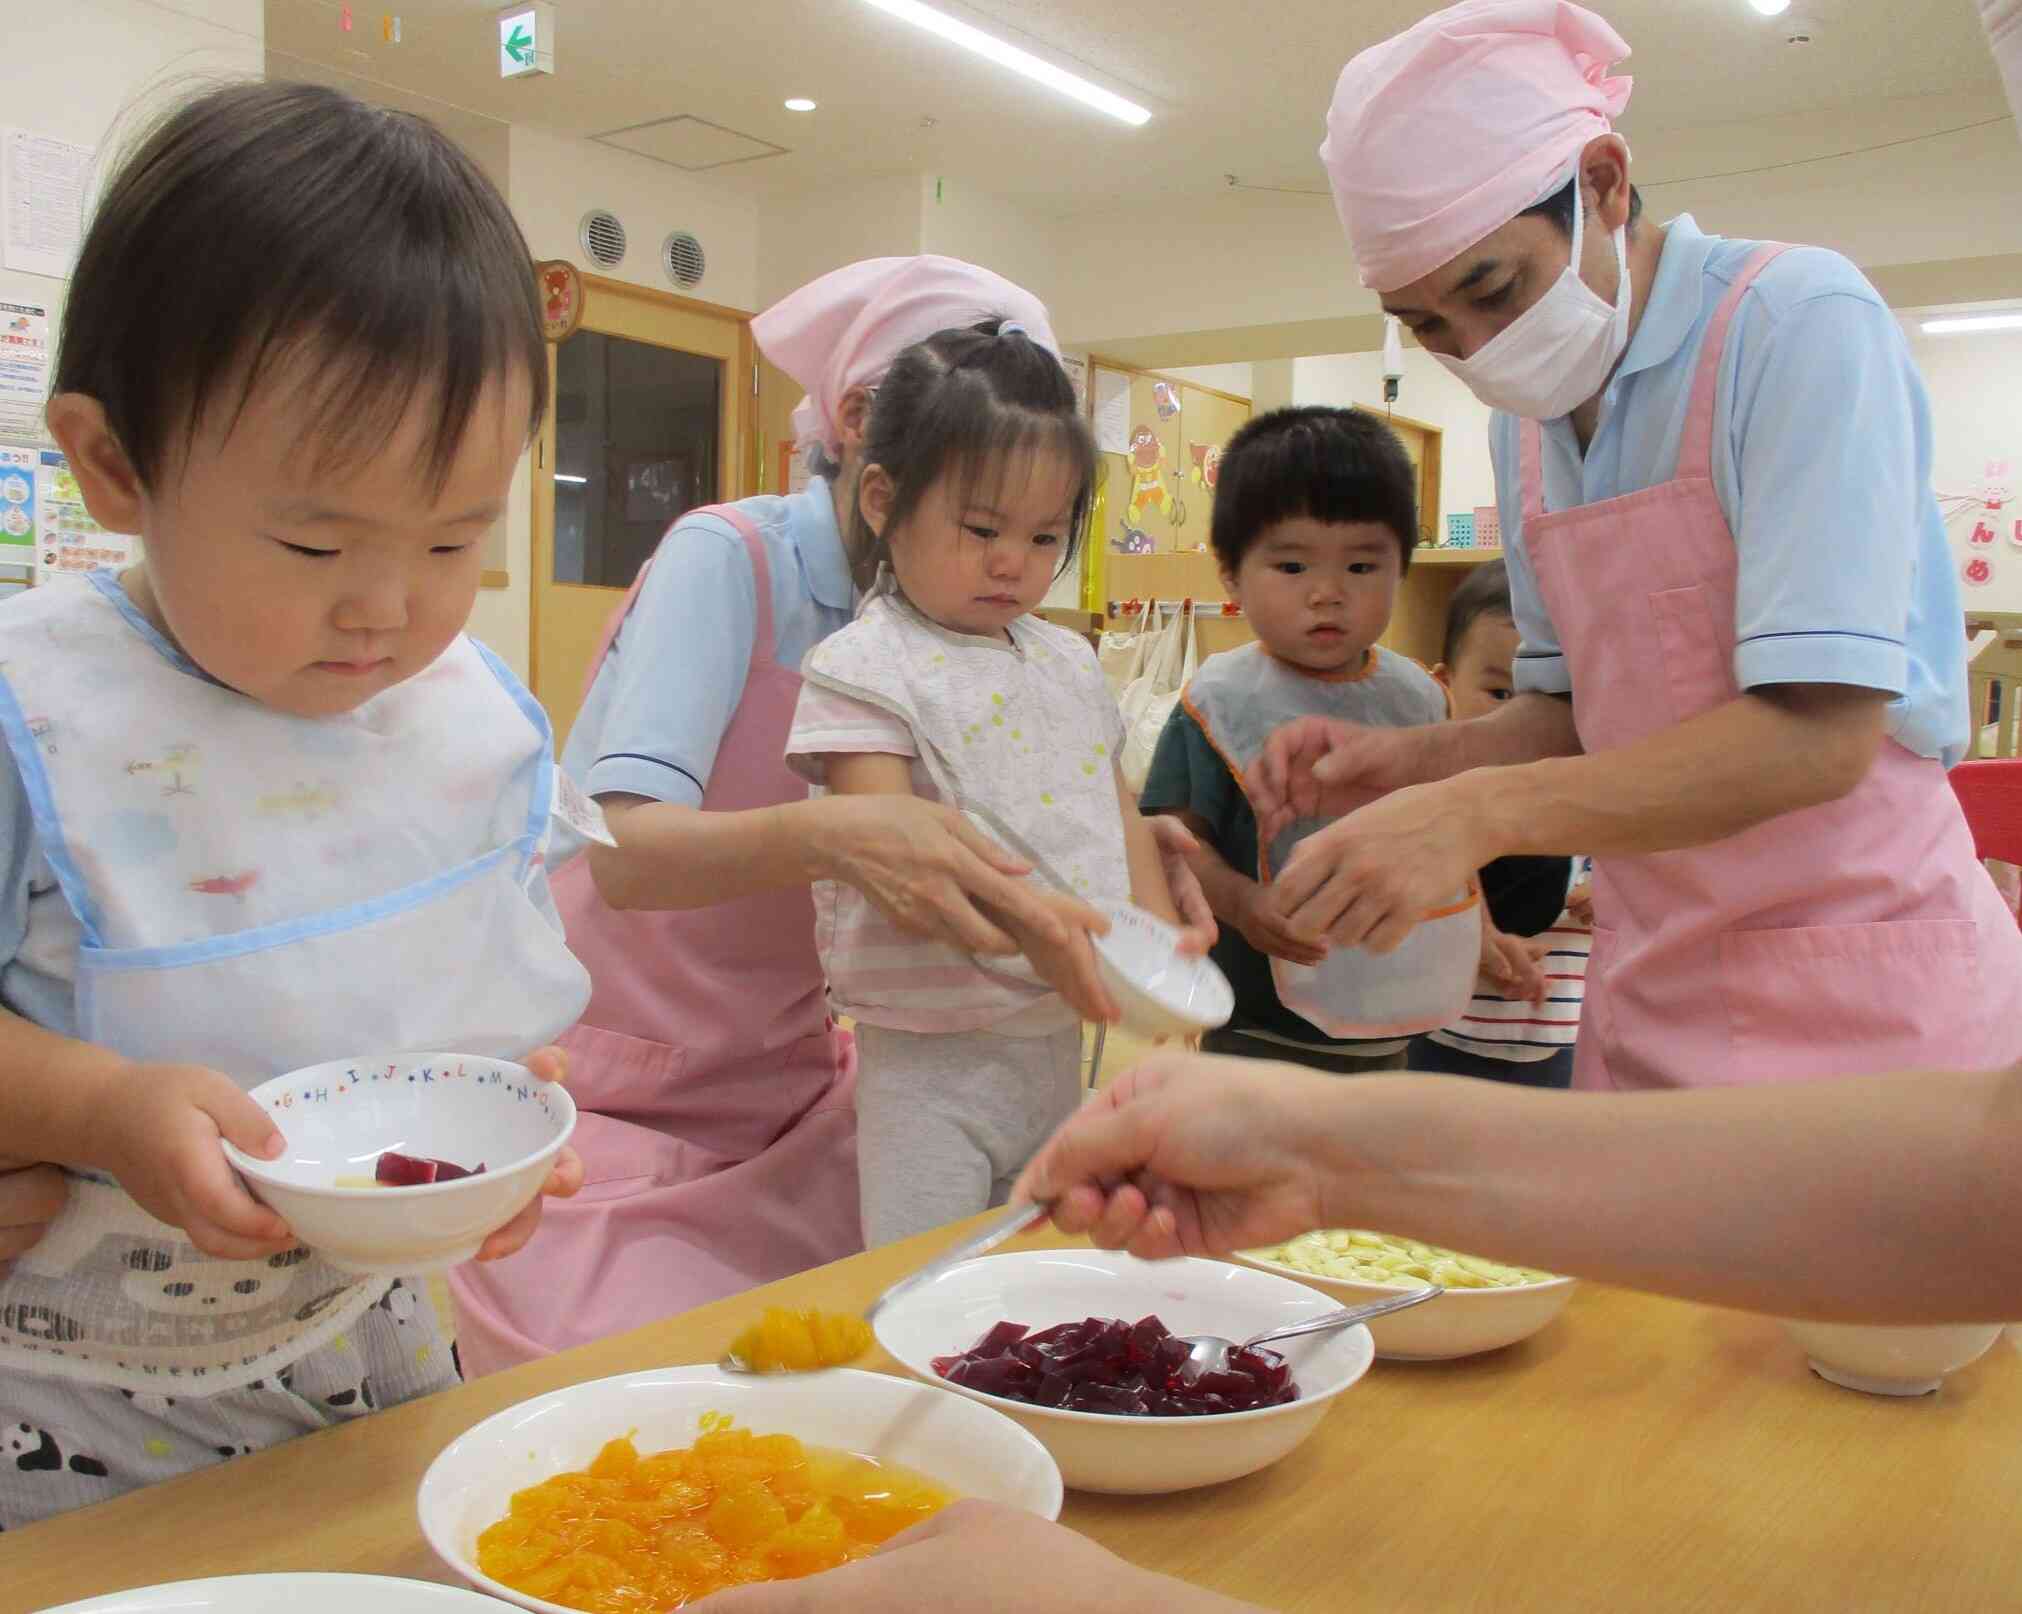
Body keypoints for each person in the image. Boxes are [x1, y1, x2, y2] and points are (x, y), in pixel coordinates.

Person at [448, 260, 1214, 1374]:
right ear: (866, 441)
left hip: (797, 1082)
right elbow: (628, 855)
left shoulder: (978, 625)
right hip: (630, 1094)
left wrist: (1119, 869)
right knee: (662, 1385)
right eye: (979, 503)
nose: (1012, 557)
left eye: (1043, 530)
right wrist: (840, 837)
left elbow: (1050, 804)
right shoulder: (735, 559)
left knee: (924, 1329)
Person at [0, 82, 589, 1526]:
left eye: (457, 536)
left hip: (376, 1359)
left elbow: (461, 992)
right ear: (115, 466)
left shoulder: (455, 720)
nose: (387, 608)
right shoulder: (43, 717)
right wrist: (101, 1103)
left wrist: (503, 1128)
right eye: (314, 539)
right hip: (80, 1418)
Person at [1247, 0, 2022, 1090]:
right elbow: (1576, 715)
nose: (1477, 349)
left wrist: (1469, 812)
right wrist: (1410, 763)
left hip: (1865, 996)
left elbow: (1821, 739)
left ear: (1603, 183)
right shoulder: (1525, 427)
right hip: (1654, 988)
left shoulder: (1794, 324)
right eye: (1424, 326)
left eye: (1492, 289)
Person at [785, 320, 1180, 1246]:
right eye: (982, 529)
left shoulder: (1067, 661)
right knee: (923, 1276)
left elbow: (1113, 805)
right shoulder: (865, 666)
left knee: (1042, 1265)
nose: (1015, 561)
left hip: (1053, 1043)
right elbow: (896, 856)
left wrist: (1166, 953)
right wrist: (1043, 933)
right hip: (928, 1060)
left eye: (1045, 536)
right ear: (883, 499)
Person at [1141, 407, 1534, 1074]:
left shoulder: (1418, 697)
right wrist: (1243, 903)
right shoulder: (1219, 701)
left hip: (1393, 1018)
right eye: (1292, 566)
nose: (1328, 594)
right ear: (1231, 574)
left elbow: (1444, 829)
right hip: (1256, 1029)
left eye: (1361, 565)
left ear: (1401, 567)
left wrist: (1481, 930)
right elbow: (1173, 846)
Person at [1411, 558, 1586, 1087]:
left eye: (1558, 701)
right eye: (1501, 695)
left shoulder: (1592, 790)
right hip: (1440, 1042)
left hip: (1564, 1045)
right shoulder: (1434, 797)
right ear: (1444, 688)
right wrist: (1468, 933)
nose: (1525, 726)